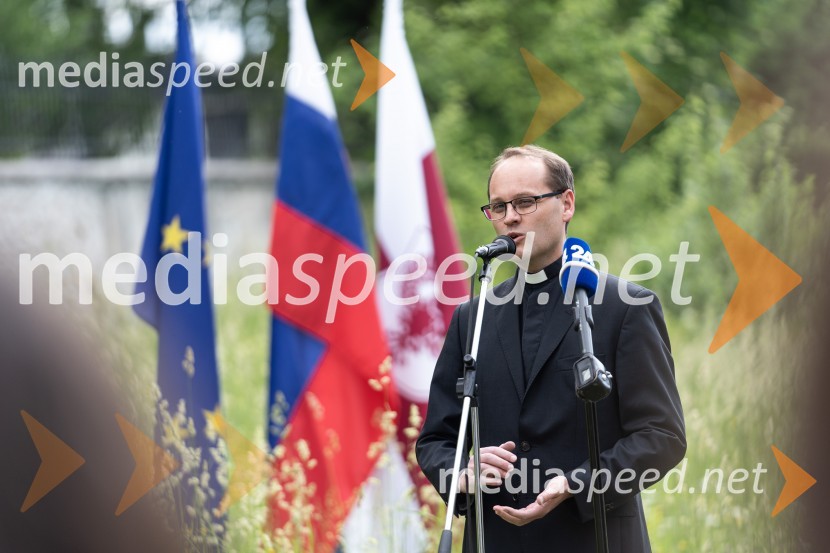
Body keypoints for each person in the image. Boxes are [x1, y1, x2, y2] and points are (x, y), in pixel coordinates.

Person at [416, 145, 686, 552]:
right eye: (498, 206)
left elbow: (662, 435)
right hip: (496, 541)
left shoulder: (625, 307)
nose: (510, 217)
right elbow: (436, 439)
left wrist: (577, 484)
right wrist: (462, 474)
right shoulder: (473, 317)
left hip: (594, 540)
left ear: (566, 204)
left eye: (525, 202)